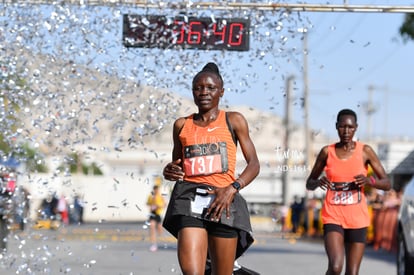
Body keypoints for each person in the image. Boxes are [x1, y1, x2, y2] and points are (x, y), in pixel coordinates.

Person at [162, 62, 260, 275]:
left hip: (223, 202)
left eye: (210, 88)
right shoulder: (181, 125)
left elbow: (254, 164)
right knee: (192, 272)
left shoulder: (234, 120)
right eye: (198, 88)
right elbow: (177, 166)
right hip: (189, 199)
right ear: (193, 92)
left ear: (221, 92)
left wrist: (232, 188)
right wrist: (169, 171)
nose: (204, 92)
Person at [306, 108, 390, 275]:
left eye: (350, 127)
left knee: (352, 272)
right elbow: (309, 182)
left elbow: (387, 183)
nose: (346, 131)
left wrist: (369, 181)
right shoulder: (326, 152)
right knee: (336, 267)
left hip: (357, 218)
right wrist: (318, 182)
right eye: (342, 127)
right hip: (333, 216)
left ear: (356, 128)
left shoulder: (365, 151)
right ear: (336, 127)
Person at [146, 184, 166, 252]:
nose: (156, 191)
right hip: (152, 213)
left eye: (157, 190)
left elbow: (164, 204)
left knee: (160, 230)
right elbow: (147, 203)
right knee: (152, 227)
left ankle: (160, 237)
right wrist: (151, 205)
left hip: (158, 214)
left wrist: (158, 206)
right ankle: (153, 244)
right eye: (155, 189)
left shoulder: (160, 197)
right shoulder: (151, 196)